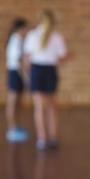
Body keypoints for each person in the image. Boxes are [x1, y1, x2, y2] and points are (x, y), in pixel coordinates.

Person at [23, 9, 68, 151]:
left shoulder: (32, 35)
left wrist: (28, 74)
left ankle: (42, 139)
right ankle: (53, 137)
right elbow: (61, 57)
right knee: (52, 106)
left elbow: (27, 58)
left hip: (36, 71)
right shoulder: (57, 37)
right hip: (50, 71)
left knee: (39, 106)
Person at [5, 17, 29, 142]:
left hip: (16, 73)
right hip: (15, 73)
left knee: (18, 101)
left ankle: (16, 126)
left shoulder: (18, 40)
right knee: (12, 102)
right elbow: (18, 60)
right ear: (22, 28)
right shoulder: (15, 40)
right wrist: (25, 76)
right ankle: (11, 128)